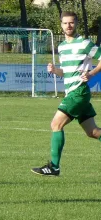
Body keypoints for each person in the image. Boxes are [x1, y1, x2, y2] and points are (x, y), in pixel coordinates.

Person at [32, 11, 101, 176]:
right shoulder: (62, 47)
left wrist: (91, 74)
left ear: (76, 24)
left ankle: (54, 167)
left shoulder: (85, 43)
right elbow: (68, 73)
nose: (68, 26)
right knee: (93, 132)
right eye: (65, 23)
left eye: (71, 23)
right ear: (61, 25)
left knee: (56, 124)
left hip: (79, 92)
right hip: (72, 92)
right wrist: (56, 71)